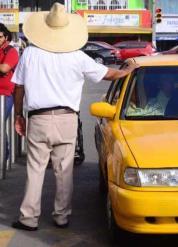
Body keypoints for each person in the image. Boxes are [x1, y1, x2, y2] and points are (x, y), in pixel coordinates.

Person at [11, 3, 138, 231]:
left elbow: (18, 87)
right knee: (64, 171)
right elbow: (109, 74)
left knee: (35, 170)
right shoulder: (77, 57)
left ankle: (28, 218)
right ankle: (61, 216)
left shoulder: (30, 53)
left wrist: (19, 115)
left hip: (38, 118)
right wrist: (128, 70)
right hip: (66, 119)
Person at [0, 23, 19, 159]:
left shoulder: (11, 51)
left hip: (5, 95)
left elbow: (4, 68)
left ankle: (4, 156)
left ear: (5, 37)